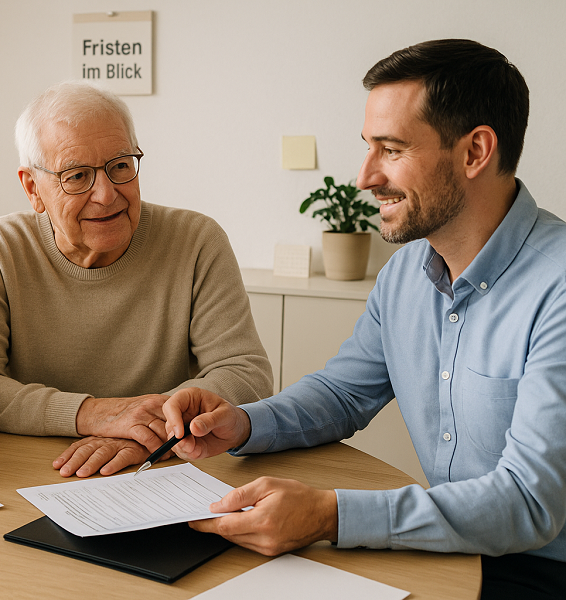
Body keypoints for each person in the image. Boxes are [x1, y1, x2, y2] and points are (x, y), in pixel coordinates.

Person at [163, 39, 566, 598]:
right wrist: (245, 424)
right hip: (444, 552)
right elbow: (342, 394)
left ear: (475, 152)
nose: (365, 177)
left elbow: (529, 503)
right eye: (368, 148)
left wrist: (329, 515)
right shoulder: (404, 276)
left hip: (541, 573)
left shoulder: (559, 287)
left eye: (392, 149)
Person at [0, 81, 272, 478]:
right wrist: (94, 415)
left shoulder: (196, 240)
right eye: (77, 176)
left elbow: (247, 373)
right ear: (32, 188)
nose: (106, 194)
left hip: (162, 466)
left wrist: (141, 429)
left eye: (120, 166)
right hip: (29, 469)